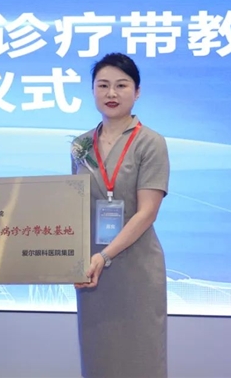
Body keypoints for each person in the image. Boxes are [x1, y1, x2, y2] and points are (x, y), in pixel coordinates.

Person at [71, 52, 170, 378]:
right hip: (92, 269)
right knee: (98, 355)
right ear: (93, 90)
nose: (111, 93)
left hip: (135, 266)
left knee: (140, 355)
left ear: (137, 91)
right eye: (103, 85)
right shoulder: (81, 145)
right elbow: (74, 206)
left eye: (121, 85)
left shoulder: (151, 142)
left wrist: (105, 256)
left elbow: (147, 213)